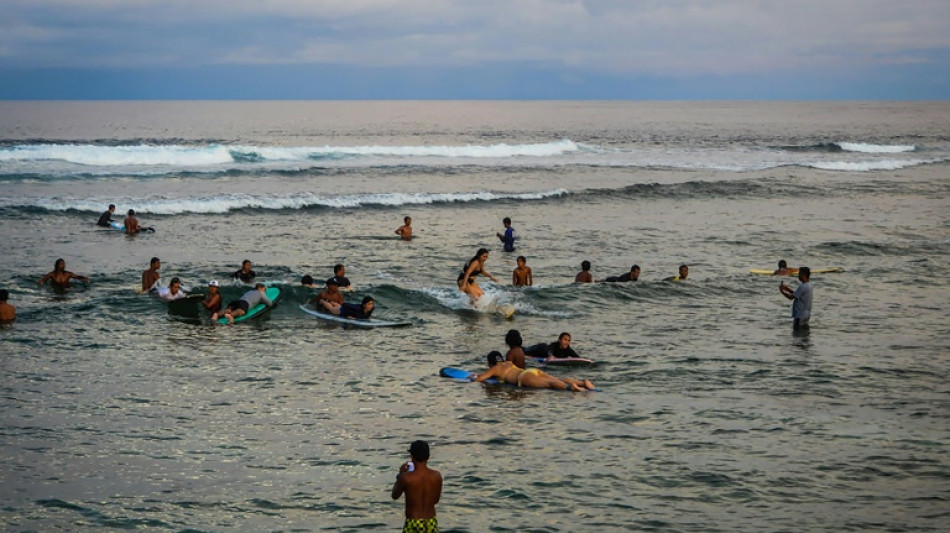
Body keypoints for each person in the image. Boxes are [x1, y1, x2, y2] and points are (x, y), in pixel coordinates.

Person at [474, 351, 595, 391]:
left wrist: (475, 376)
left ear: (490, 363)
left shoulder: (495, 368)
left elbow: (479, 378)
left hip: (523, 378)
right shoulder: (508, 363)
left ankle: (571, 387)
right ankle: (582, 382)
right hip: (532, 371)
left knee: (549, 384)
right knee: (557, 379)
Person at [392, 440, 442, 533]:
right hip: (431, 521)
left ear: (412, 457)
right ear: (428, 457)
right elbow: (436, 500)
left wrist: (400, 475)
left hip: (414, 522)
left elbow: (394, 495)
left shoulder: (406, 477)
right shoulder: (437, 476)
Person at [780, 266, 812, 331]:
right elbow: (797, 294)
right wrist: (787, 289)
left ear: (803, 275)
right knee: (803, 332)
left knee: (797, 333)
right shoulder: (809, 285)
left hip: (800, 315)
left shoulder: (802, 286)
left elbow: (791, 297)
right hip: (806, 314)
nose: (798, 276)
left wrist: (782, 291)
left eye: (799, 274)